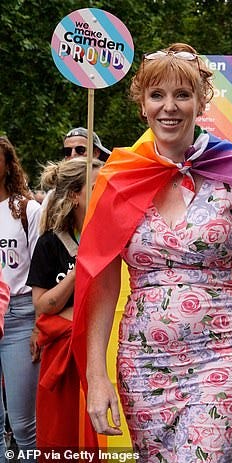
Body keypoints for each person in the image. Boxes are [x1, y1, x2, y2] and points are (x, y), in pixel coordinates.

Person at [71, 43, 232, 462]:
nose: (170, 107)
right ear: (143, 105)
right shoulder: (117, 179)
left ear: (201, 101)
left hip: (224, 351)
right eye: (157, 95)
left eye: (182, 95)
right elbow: (102, 278)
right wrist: (96, 375)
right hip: (143, 362)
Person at [26, 157, 102, 452]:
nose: (104, 192)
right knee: (64, 431)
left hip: (102, 350)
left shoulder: (114, 235)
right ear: (74, 195)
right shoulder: (49, 244)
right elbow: (43, 305)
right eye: (96, 187)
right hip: (63, 355)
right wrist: (75, 273)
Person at [0, 136, 40, 462]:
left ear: (7, 163)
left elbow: (40, 271)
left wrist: (39, 326)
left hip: (20, 317)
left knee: (24, 424)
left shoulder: (27, 209)